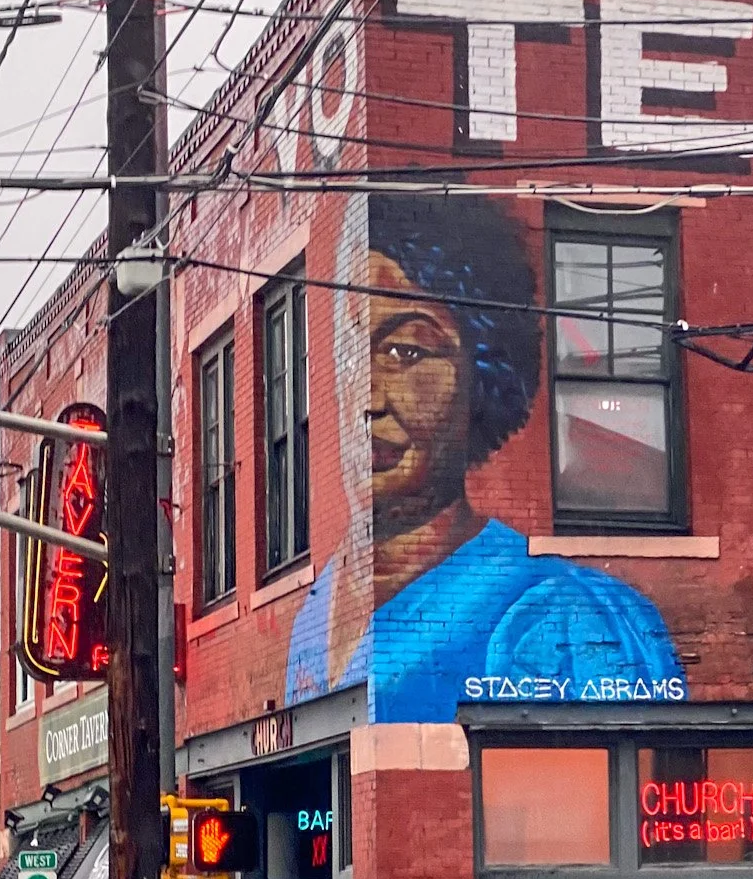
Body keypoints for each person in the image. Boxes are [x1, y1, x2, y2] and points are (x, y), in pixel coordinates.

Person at [285, 192, 685, 724]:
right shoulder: (315, 613)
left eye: (406, 352)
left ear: (485, 375)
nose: (368, 399)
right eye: (352, 350)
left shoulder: (558, 619)